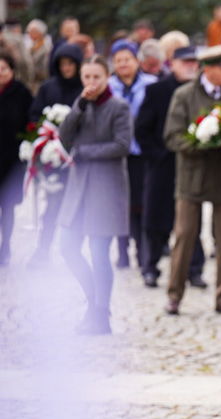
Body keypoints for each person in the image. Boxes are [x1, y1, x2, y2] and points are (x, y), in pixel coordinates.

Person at [163, 44, 221, 316]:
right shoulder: (184, 95)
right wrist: (201, 141)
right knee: (184, 237)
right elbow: (172, 136)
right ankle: (174, 295)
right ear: (209, 70)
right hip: (192, 179)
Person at [57, 55, 132, 334]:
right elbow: (64, 137)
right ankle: (94, 303)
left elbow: (122, 145)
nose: (91, 82)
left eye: (96, 77)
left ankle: (101, 315)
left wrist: (85, 152)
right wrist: (78, 106)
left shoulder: (119, 106)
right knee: (67, 246)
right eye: (87, 77)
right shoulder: (81, 104)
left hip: (106, 189)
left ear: (107, 77)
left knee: (99, 253)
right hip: (79, 189)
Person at [135, 45, 206, 290]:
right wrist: (157, 156)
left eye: (193, 62)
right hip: (162, 165)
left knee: (191, 221)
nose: (190, 66)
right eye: (185, 61)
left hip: (192, 165)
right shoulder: (156, 90)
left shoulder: (201, 91)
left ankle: (194, 270)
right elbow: (142, 129)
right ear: (172, 63)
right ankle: (150, 267)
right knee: (156, 219)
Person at [26, 43, 82, 267]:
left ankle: (73, 252)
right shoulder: (48, 88)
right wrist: (46, 133)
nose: (66, 68)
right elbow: (35, 114)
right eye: (62, 64)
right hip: (53, 156)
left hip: (77, 155)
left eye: (70, 64)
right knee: (53, 204)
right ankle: (43, 248)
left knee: (77, 206)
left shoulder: (83, 87)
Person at [108, 39, 157, 270]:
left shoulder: (150, 84)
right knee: (120, 204)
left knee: (141, 203)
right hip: (117, 154)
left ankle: (142, 251)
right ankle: (122, 250)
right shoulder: (107, 86)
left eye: (127, 59)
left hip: (141, 152)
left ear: (137, 61)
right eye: (118, 60)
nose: (123, 64)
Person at [0, 51, 33, 266]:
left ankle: (5, 247)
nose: (0, 73)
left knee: (7, 205)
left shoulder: (22, 93)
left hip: (12, 159)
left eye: (3, 69)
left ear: (12, 70)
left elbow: (31, 120)